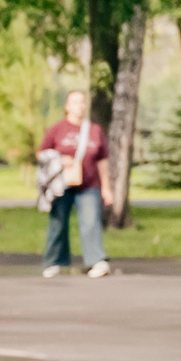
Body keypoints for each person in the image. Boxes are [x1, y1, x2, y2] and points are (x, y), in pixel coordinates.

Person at [37, 89, 109, 279]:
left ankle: (96, 261)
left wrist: (107, 188)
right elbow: (41, 153)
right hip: (62, 185)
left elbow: (103, 160)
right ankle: (53, 262)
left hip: (89, 184)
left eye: (82, 102)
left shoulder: (94, 130)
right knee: (58, 222)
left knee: (91, 221)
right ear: (67, 106)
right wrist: (60, 159)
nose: (80, 106)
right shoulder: (57, 129)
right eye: (75, 102)